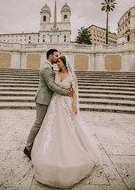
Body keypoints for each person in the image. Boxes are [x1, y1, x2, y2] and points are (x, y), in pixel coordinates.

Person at [31, 55, 102, 188]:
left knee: (69, 128)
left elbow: (75, 92)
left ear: (64, 63)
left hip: (66, 104)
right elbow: (51, 86)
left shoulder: (72, 76)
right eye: (57, 61)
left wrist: (75, 104)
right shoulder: (55, 72)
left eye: (59, 61)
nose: (57, 63)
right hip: (55, 103)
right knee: (52, 127)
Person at [24, 49, 72, 160]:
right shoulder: (46, 67)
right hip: (43, 99)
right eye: (56, 55)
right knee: (38, 123)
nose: (57, 57)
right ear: (50, 56)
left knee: (43, 123)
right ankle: (28, 147)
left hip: (46, 98)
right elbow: (50, 85)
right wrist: (66, 92)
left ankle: (36, 144)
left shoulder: (49, 67)